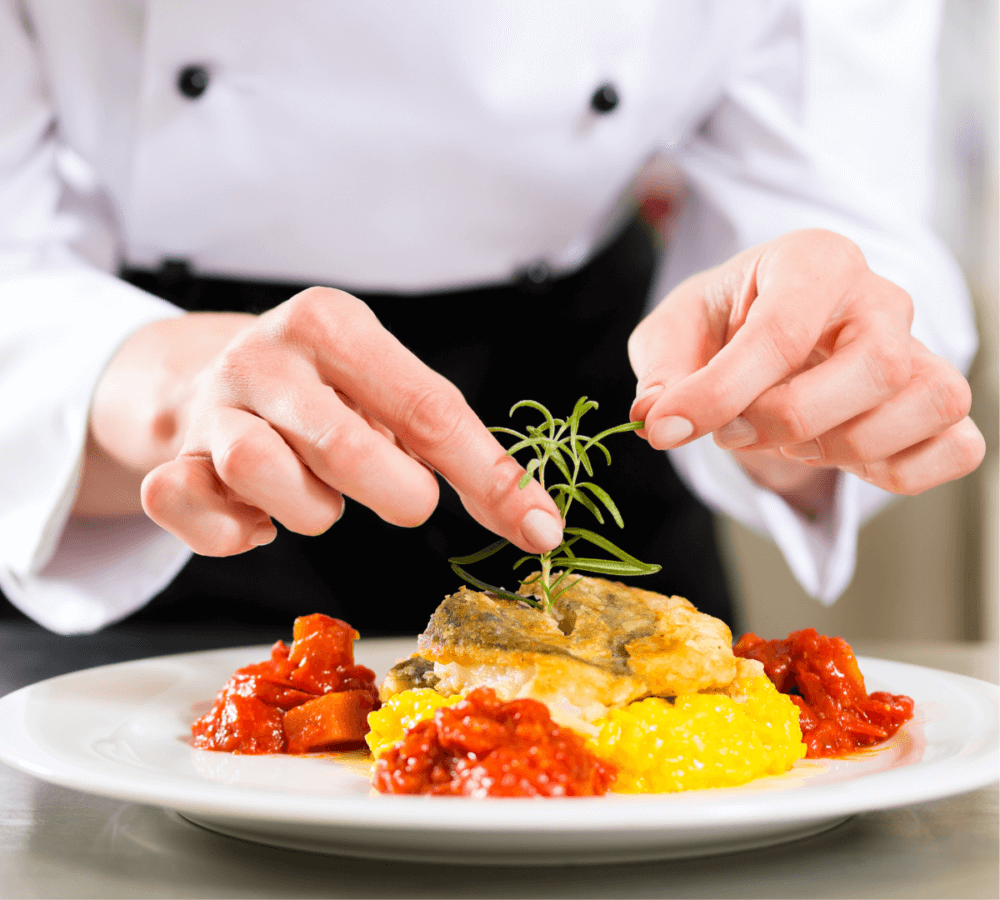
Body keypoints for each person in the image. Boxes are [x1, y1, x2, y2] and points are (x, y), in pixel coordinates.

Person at [0, 1, 984, 640]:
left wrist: (796, 382)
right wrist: (154, 389)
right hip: (159, 442)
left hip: (587, 410)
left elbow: (825, 181)